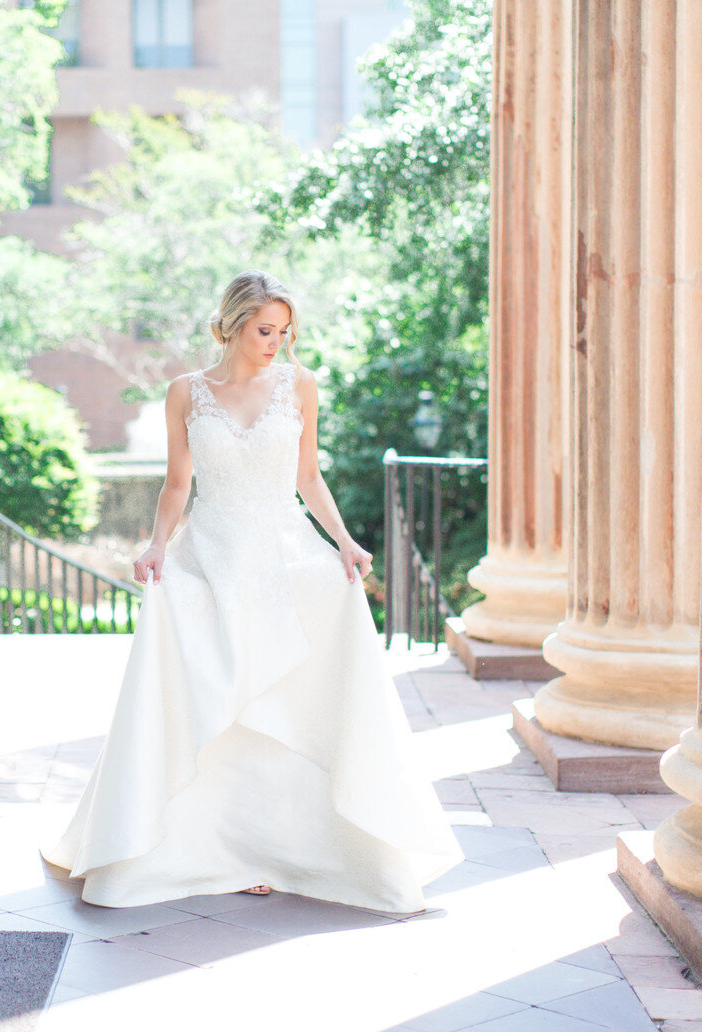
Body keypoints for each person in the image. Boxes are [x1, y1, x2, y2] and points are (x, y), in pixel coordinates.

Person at [42, 270, 463, 913]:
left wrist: (346, 542)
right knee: (211, 690)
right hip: (209, 554)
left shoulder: (300, 385)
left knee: (291, 690)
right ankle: (201, 849)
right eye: (265, 330)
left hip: (284, 552)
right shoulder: (186, 392)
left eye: (285, 331)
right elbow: (177, 486)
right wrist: (157, 546)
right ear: (234, 325)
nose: (276, 342)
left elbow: (309, 477)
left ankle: (297, 848)